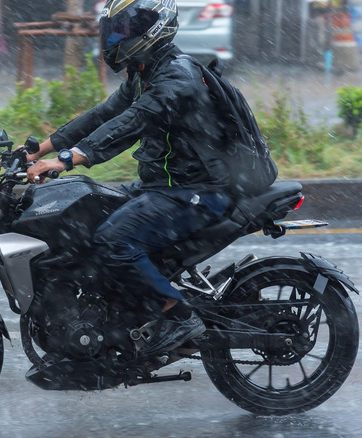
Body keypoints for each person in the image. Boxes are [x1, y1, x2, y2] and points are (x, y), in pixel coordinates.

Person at [26, 0, 232, 357]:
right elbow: (103, 115)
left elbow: (132, 122)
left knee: (113, 240)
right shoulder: (145, 72)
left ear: (152, 29)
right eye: (113, 29)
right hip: (162, 185)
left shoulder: (177, 76)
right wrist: (39, 149)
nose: (115, 37)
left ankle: (175, 316)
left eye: (124, 29)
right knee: (86, 219)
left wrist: (70, 158)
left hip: (195, 190)